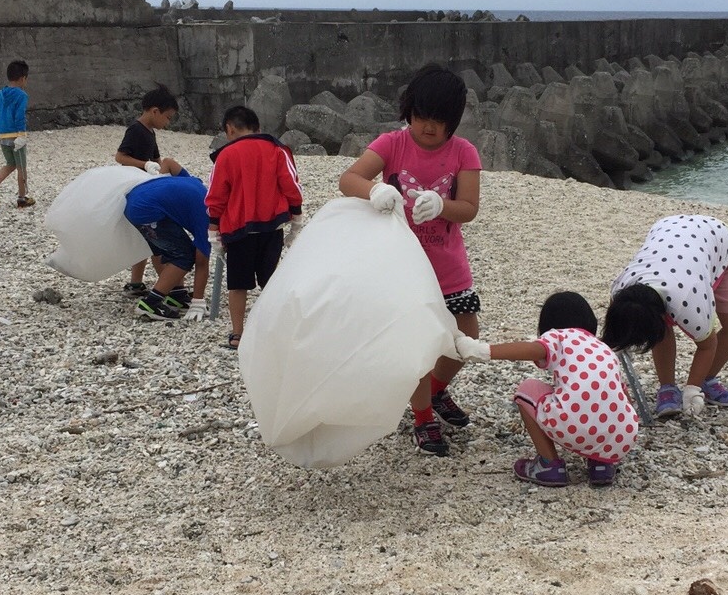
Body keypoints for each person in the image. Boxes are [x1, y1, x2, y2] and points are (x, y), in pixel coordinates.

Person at [338, 63, 481, 456]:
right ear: (409, 111)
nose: (428, 129)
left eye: (438, 121)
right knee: (416, 344)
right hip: (401, 266)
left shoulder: (463, 151)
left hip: (449, 267)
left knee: (466, 335)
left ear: (453, 121)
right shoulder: (392, 143)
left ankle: (435, 392)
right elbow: (348, 179)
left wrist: (442, 206)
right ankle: (422, 418)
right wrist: (374, 192)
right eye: (421, 118)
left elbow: (469, 208)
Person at [454, 292, 639, 488]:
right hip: (622, 435)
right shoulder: (604, 349)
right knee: (600, 402)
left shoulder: (559, 336)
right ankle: (602, 465)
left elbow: (534, 350)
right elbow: (622, 394)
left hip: (574, 426)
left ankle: (549, 465)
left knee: (527, 389)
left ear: (546, 326)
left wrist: (483, 351)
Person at [604, 214, 728, 417]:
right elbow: (614, 335)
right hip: (669, 233)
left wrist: (692, 389)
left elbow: (707, 345)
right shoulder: (621, 292)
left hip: (717, 240)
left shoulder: (690, 302)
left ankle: (705, 381)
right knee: (651, 322)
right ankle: (667, 387)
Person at [205, 105, 303, 349]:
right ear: (257, 128)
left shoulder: (226, 155)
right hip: (272, 227)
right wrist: (297, 216)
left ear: (230, 129)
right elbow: (291, 184)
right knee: (271, 281)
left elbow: (216, 195)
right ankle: (276, 331)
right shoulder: (277, 150)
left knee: (238, 283)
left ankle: (238, 334)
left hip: (239, 229)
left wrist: (213, 228)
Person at [115, 85, 184, 296]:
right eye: (167, 117)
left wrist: (162, 175)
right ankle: (170, 287)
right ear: (155, 111)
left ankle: (136, 283)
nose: (168, 122)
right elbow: (120, 157)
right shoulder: (135, 130)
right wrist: (143, 165)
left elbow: (157, 160)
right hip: (137, 191)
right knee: (154, 239)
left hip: (147, 189)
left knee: (142, 239)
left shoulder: (150, 133)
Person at [123, 173, 213, 322]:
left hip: (136, 199)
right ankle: (150, 303)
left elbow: (169, 164)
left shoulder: (201, 189)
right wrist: (198, 301)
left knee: (168, 248)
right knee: (184, 256)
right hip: (146, 210)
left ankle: (177, 295)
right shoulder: (207, 219)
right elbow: (201, 262)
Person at [0, 59, 33, 208]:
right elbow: (19, 115)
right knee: (21, 168)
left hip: (2, 136)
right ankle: (22, 198)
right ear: (23, 78)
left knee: (10, 164)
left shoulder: (0, 94)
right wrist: (22, 134)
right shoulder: (21, 95)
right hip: (15, 136)